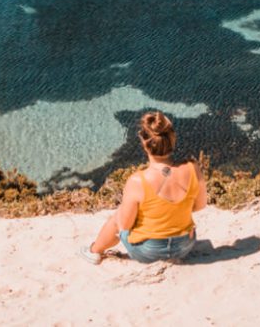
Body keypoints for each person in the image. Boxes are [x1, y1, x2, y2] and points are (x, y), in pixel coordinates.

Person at [81, 111, 206, 264]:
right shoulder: (193, 168)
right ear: (172, 140)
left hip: (149, 251)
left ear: (144, 143)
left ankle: (94, 251)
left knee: (118, 216)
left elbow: (125, 225)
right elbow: (200, 206)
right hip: (185, 245)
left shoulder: (137, 180)